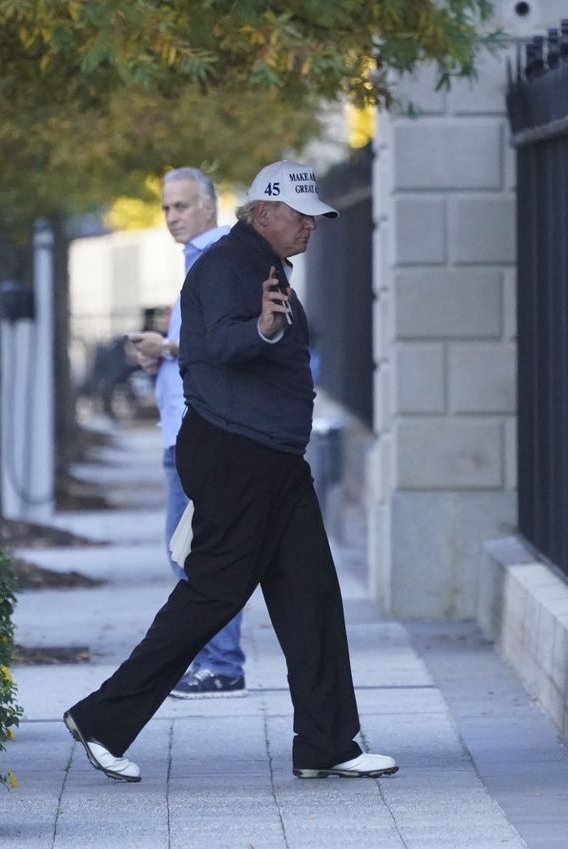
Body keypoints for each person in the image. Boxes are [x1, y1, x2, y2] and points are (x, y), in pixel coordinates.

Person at [63, 160, 397, 783]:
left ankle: (327, 743)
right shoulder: (227, 265)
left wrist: (269, 329)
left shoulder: (259, 264)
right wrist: (266, 329)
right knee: (212, 594)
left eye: (316, 218)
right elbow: (220, 342)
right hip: (239, 455)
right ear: (265, 212)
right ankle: (104, 719)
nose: (311, 228)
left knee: (311, 596)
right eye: (301, 216)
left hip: (269, 458)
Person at [124, 167, 247, 700]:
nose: (173, 217)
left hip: (204, 433)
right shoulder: (197, 259)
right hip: (184, 428)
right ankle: (213, 661)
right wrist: (160, 360)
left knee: (196, 551)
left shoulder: (217, 257)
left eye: (182, 206)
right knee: (189, 549)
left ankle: (221, 664)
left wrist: (166, 348)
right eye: (167, 207)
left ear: (209, 208)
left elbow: (221, 341)